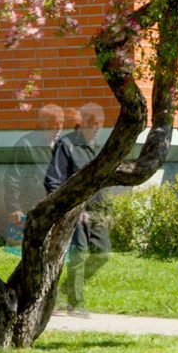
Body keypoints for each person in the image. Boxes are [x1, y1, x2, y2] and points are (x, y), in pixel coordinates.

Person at [45, 102, 115, 312]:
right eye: (93, 123)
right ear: (82, 122)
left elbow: (102, 182)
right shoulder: (67, 145)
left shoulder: (96, 148)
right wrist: (70, 210)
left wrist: (108, 212)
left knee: (102, 253)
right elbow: (52, 181)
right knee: (78, 254)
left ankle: (67, 287)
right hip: (75, 211)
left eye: (100, 124)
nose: (97, 128)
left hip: (96, 211)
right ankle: (75, 302)